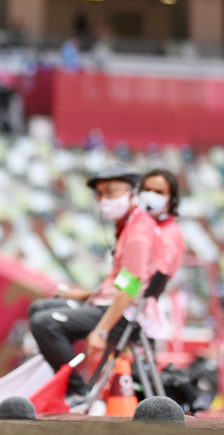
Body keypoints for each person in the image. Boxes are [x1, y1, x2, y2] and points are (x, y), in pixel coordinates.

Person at [28, 164, 160, 402]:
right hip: (107, 305)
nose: (103, 199)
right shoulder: (127, 227)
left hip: (123, 316)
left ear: (132, 193)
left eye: (111, 192)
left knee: (45, 323)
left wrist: (100, 331)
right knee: (39, 307)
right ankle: (65, 378)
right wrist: (82, 295)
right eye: (99, 194)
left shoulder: (138, 234)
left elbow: (129, 289)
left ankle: (78, 391)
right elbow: (119, 282)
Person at [136, 169, 186, 342]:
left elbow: (155, 278)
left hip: (145, 308)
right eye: (147, 190)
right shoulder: (148, 228)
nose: (151, 196)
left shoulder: (168, 233)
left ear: (171, 199)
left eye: (158, 192)